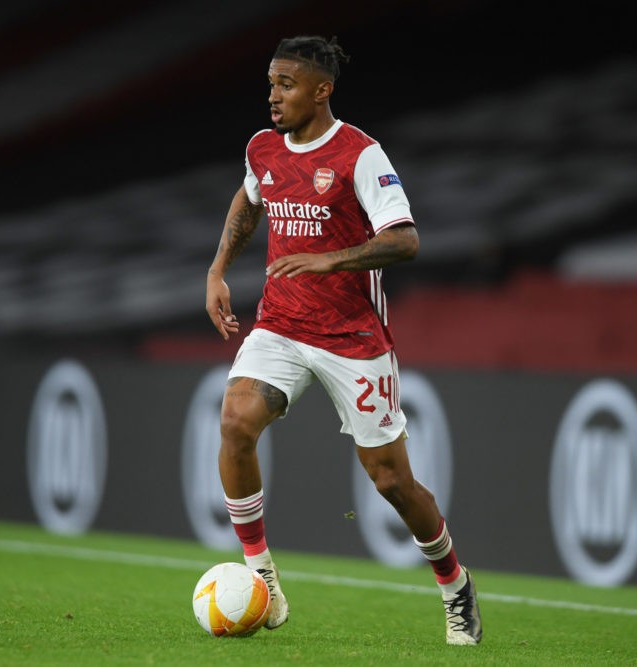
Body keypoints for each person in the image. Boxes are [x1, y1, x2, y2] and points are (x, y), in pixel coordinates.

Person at [204, 35, 482, 646]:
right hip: (280, 323)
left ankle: (454, 583)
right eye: (271, 83)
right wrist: (218, 268)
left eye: (286, 85)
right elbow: (251, 198)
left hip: (353, 337)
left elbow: (405, 239)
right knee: (235, 421)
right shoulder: (264, 148)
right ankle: (263, 578)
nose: (273, 96)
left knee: (390, 481)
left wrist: (333, 261)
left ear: (321, 89)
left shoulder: (361, 154)